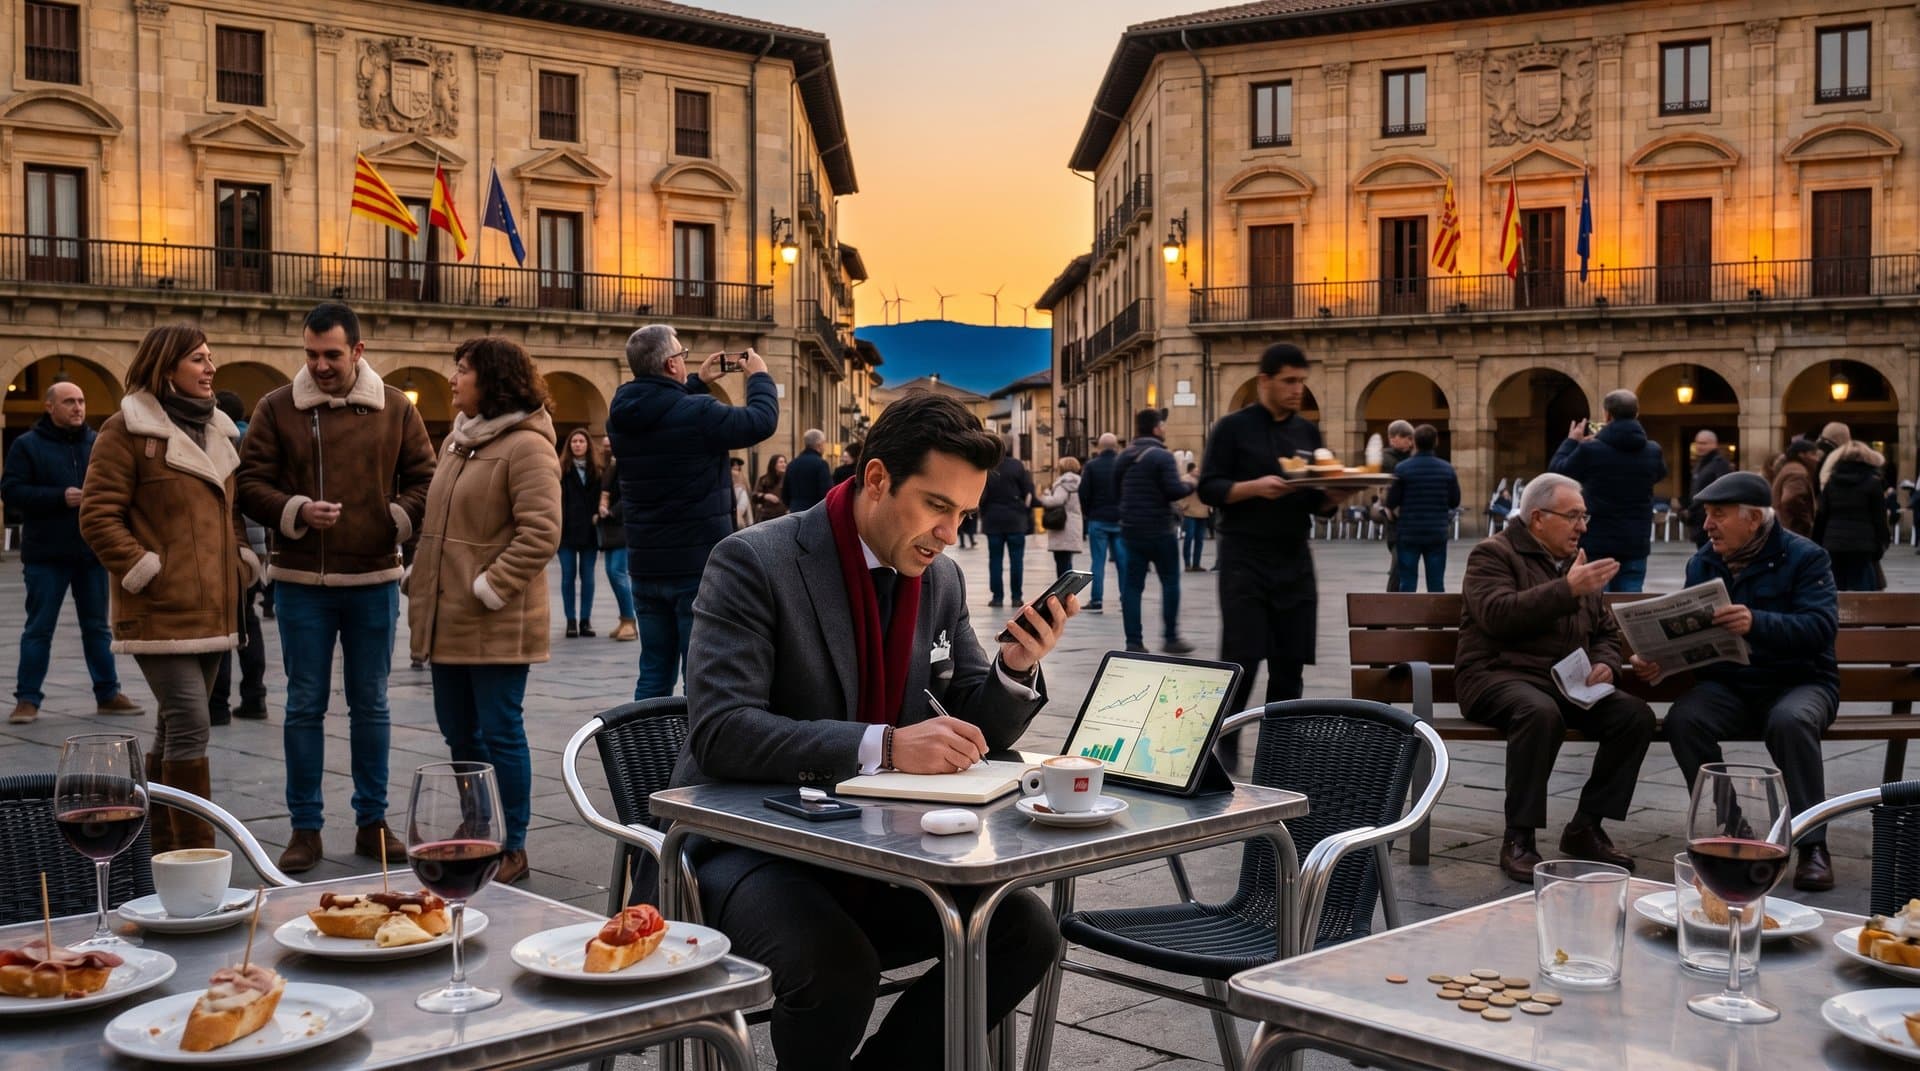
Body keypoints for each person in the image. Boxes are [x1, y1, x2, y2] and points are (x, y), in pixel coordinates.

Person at [671, 391, 1073, 1070]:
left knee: (1023, 929)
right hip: (749, 847)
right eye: (938, 506)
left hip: (882, 850)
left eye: (963, 514)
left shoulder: (939, 579)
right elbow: (722, 730)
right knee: (836, 968)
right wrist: (885, 744)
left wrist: (1013, 668)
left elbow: (972, 723)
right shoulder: (752, 561)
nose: (950, 534)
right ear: (879, 478)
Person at [237, 301, 436, 873]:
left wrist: (396, 516)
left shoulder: (395, 408)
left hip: (373, 579)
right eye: (311, 354)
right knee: (302, 706)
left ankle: (373, 821)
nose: (320, 366)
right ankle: (306, 828)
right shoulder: (277, 408)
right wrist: (295, 509)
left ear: (357, 351)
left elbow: (425, 478)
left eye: (331, 355)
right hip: (302, 583)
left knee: (370, 705)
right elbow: (249, 483)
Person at [79, 323, 258, 853]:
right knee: (190, 723)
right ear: (167, 367)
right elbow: (97, 515)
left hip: (214, 609)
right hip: (158, 609)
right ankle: (193, 852)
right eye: (199, 359)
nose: (211, 368)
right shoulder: (126, 430)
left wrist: (241, 560)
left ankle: (154, 845)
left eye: (210, 358)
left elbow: (232, 514)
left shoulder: (220, 432)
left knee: (172, 728)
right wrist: (142, 569)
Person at [1634, 471, 1840, 891]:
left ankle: (1813, 846)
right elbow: (1694, 636)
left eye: (1718, 515)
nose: (1707, 525)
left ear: (1752, 518)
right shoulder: (1704, 562)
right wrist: (1660, 661)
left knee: (1791, 722)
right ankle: (1733, 826)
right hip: (1730, 685)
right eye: (1707, 515)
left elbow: (1820, 629)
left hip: (1799, 681)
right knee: (1684, 720)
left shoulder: (1806, 557)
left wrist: (1755, 622)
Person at [407, 337, 562, 886]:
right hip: (446, 617)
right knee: (460, 735)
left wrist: (488, 587)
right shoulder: (458, 442)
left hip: (494, 618)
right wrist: (422, 576)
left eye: (463, 370)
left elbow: (541, 532)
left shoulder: (527, 446)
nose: (452, 378)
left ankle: (512, 843)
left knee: (499, 732)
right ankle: (478, 825)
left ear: (493, 380)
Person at [1455, 473, 1655, 882]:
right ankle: (1519, 838)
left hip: (1565, 683)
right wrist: (1566, 590)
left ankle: (1586, 826)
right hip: (1496, 674)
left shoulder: (1575, 563)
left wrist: (1606, 664)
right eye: (1573, 516)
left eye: (1585, 517)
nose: (1582, 526)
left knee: (1634, 716)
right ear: (1538, 518)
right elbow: (1498, 615)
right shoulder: (1493, 554)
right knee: (1539, 713)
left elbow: (1603, 632)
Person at [607, 325, 778, 701]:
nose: (685, 362)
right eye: (682, 356)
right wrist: (760, 377)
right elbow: (761, 421)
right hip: (695, 565)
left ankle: (647, 753)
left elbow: (664, 413)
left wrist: (698, 381)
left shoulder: (620, 415)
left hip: (647, 565)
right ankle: (690, 755)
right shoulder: (699, 414)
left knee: (653, 670)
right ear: (671, 365)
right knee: (696, 672)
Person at [1198, 343, 1344, 726]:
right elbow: (1209, 489)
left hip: (1294, 557)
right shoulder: (1232, 429)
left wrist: (1334, 496)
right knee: (1241, 658)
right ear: (1265, 380)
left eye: (1301, 381)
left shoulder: (1307, 432)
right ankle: (1222, 743)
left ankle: (1278, 750)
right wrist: (1255, 487)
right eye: (1289, 381)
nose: (1297, 389)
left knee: (1290, 661)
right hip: (1243, 557)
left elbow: (1316, 501)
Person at [2, 380, 141, 724]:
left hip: (91, 554)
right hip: (46, 556)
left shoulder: (97, 443)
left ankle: (108, 693)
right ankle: (28, 699)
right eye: (68, 402)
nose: (77, 407)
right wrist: (57, 496)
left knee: (97, 628)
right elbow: (11, 490)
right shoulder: (27, 445)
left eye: (80, 400)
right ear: (50, 407)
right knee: (39, 628)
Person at [1549, 389, 1668, 592]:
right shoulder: (1652, 451)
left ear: (1607, 415)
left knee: (1597, 606)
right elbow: (1659, 474)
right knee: (1628, 607)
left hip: (1597, 541)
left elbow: (1557, 472)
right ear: (1637, 413)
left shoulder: (1591, 450)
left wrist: (1572, 442)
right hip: (1635, 543)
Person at [209, 390, 267, 726]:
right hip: (251, 545)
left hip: (230, 543)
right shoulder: (252, 440)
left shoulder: (222, 440)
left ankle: (218, 704)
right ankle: (254, 696)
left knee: (224, 626)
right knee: (246, 622)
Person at [1117, 408, 1196, 655]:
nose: (1164, 429)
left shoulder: (1124, 456)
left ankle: (1134, 642)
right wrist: (1191, 482)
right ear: (1155, 428)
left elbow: (1114, 490)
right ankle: (1171, 638)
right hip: (1160, 529)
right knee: (1170, 581)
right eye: (1162, 425)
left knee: (1132, 587)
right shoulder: (1162, 456)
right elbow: (1174, 490)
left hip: (1131, 530)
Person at [1813, 421, 1890, 592]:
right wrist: (1881, 545)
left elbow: (1822, 516)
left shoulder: (1831, 482)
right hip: (1863, 546)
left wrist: (1818, 542)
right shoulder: (1873, 483)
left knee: (1834, 592)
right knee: (1864, 593)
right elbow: (1879, 518)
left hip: (1833, 544)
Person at [1384, 424, 1461, 592]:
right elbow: (1455, 501)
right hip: (1436, 532)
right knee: (1436, 583)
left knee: (1407, 583)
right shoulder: (1447, 469)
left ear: (1415, 443)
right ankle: (1436, 617)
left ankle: (1406, 615)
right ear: (1436, 442)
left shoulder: (1402, 469)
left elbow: (1391, 502)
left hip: (1409, 533)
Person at [555, 427, 601, 637]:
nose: (578, 444)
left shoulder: (597, 470)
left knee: (588, 577)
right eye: (574, 441)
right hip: (566, 531)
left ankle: (585, 620)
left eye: (582, 441)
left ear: (588, 445)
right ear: (569, 445)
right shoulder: (561, 469)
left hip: (589, 531)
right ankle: (570, 621)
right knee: (567, 577)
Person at [979, 441, 1035, 608]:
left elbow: (982, 495)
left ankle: (997, 597)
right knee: (1016, 560)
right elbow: (1028, 492)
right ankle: (1016, 597)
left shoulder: (988, 468)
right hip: (1015, 520)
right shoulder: (1018, 466)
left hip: (993, 519)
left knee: (995, 560)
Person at [596, 436, 639, 641]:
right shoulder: (608, 466)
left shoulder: (624, 464)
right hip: (610, 528)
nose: (606, 449)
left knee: (617, 572)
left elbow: (629, 494)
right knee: (611, 572)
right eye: (604, 446)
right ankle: (624, 618)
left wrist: (611, 511)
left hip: (622, 525)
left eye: (609, 446)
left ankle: (630, 621)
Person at [1078, 432, 1125, 612]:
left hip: (1098, 519)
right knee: (1123, 562)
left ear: (1099, 447)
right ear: (1116, 447)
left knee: (1097, 562)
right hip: (1120, 519)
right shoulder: (1123, 464)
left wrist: (1089, 513)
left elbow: (1084, 493)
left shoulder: (1091, 466)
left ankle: (1096, 600)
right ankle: (1125, 599)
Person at [1037, 456, 1084, 578]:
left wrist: (1045, 496)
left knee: (1062, 562)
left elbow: (1057, 500)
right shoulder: (1080, 482)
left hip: (1062, 525)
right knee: (1067, 560)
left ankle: (1064, 591)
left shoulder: (1063, 484)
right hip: (1074, 523)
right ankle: (1067, 590)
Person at [1686, 429, 1732, 546]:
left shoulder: (1720, 464)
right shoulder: (1700, 464)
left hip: (1710, 518)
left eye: (1704, 443)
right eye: (1698, 443)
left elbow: (1723, 492)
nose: (1700, 447)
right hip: (1698, 520)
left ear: (1714, 444)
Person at [1770, 437, 1822, 538]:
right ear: (1802, 455)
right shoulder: (1797, 472)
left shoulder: (1789, 468)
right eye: (1813, 454)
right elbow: (1791, 498)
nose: (1817, 459)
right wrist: (1806, 522)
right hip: (1793, 531)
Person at [783, 428, 833, 513]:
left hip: (794, 511)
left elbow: (785, 493)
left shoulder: (792, 464)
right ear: (819, 444)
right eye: (824, 443)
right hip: (814, 512)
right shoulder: (821, 464)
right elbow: (826, 492)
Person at [1176, 462, 1210, 571]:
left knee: (1199, 539)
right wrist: (1183, 506)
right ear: (1190, 470)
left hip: (1202, 512)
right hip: (1189, 512)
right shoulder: (1185, 479)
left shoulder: (1203, 479)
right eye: (1196, 470)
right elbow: (1178, 494)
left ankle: (1196, 564)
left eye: (1198, 470)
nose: (1198, 472)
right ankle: (1187, 564)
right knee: (1189, 538)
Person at [754, 454, 789, 524]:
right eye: (781, 462)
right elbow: (754, 496)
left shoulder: (788, 479)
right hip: (767, 517)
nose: (784, 464)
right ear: (773, 464)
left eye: (785, 462)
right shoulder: (764, 479)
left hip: (783, 516)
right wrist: (765, 496)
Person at [730, 457, 753, 531]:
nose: (736, 467)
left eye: (737, 466)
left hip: (739, 518)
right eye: (734, 466)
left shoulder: (743, 477)